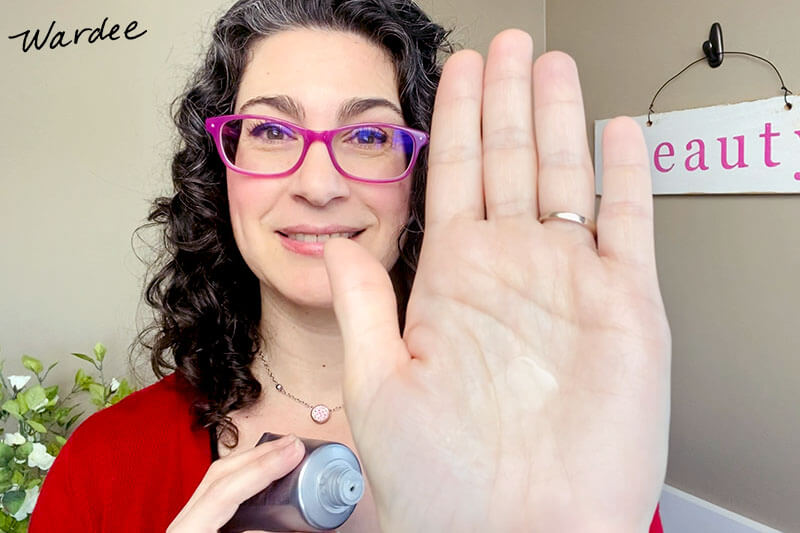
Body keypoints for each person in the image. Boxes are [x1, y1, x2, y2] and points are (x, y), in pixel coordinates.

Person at [30, 0, 670, 531]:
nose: (317, 183)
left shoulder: (539, 439)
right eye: (272, 131)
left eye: (368, 138)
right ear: (220, 173)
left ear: (420, 175)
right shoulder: (102, 468)